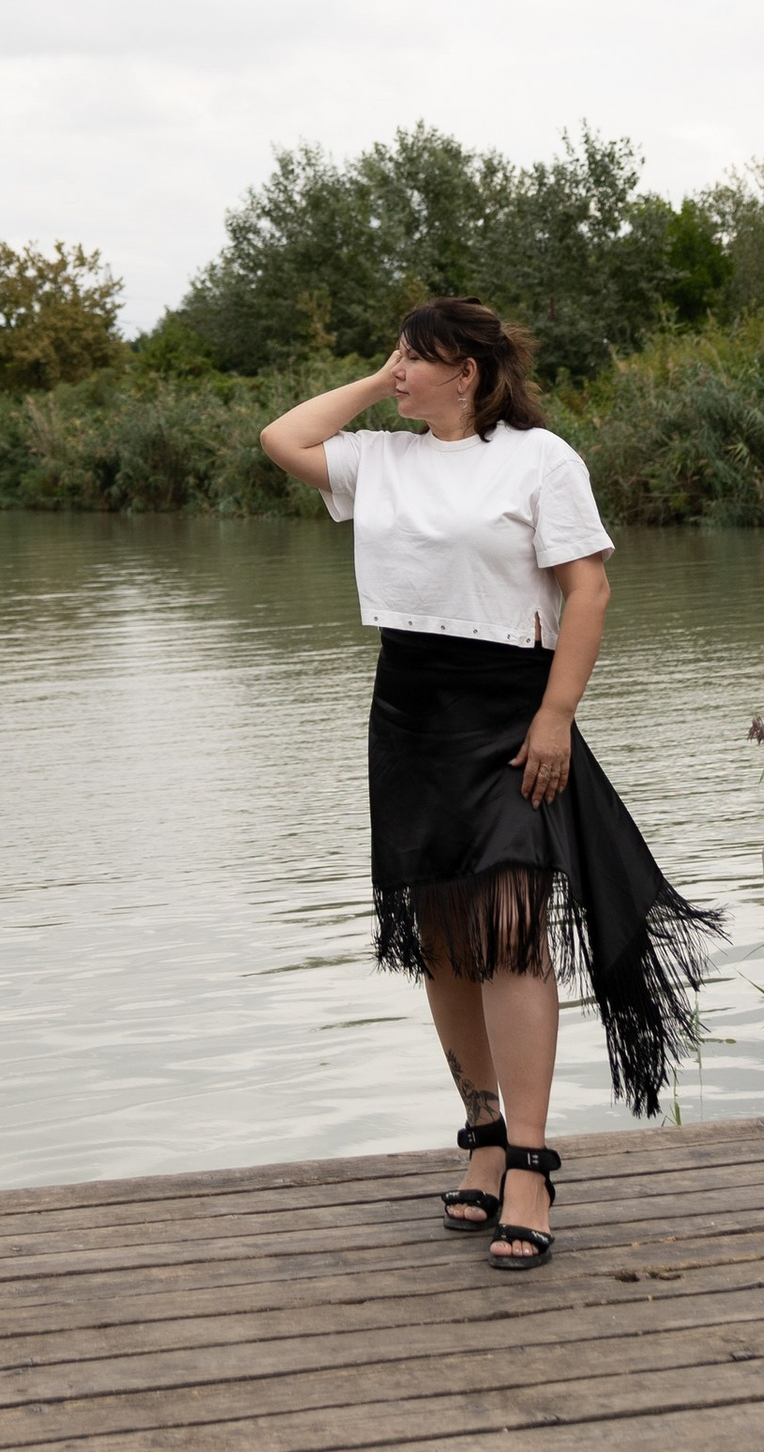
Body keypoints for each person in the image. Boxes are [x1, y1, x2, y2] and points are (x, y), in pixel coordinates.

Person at [261, 294, 717, 1271]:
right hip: (409, 713)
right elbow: (281, 436)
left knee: (509, 931)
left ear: (462, 371)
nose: (396, 374)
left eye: (412, 360)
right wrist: (381, 378)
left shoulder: (539, 461)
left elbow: (587, 589)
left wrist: (555, 717)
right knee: (443, 942)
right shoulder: (379, 460)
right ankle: (480, 1135)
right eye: (392, 359)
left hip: (510, 713)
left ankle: (531, 1161)